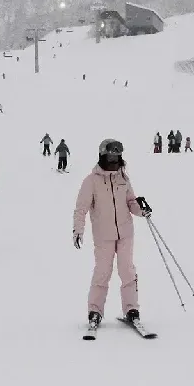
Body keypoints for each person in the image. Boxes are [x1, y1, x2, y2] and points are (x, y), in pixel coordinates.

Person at [72, 139, 152, 330]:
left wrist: (141, 210)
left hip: (125, 233)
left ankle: (131, 309)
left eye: (117, 157)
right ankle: (95, 311)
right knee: (102, 272)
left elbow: (130, 202)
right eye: (110, 157)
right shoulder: (91, 181)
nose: (114, 160)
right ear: (102, 156)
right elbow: (81, 208)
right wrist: (78, 230)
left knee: (127, 271)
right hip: (103, 235)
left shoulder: (123, 178)